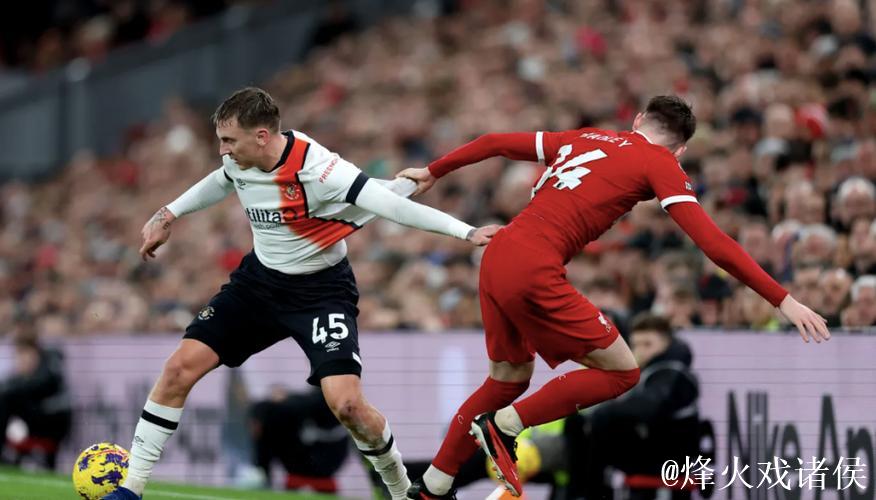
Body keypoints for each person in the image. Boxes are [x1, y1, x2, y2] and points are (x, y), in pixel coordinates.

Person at [398, 95, 830, 499]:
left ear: (638, 120)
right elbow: (714, 244)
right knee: (623, 371)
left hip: (497, 253)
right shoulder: (660, 162)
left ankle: (434, 484)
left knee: (507, 379)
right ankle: (506, 425)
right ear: (680, 150)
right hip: (534, 264)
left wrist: (433, 170)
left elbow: (494, 142)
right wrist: (782, 299)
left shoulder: (586, 136)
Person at [103, 87, 499, 500]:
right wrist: (168, 213)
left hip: (321, 292)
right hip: (257, 286)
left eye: (229, 140)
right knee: (178, 369)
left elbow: (391, 207)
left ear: (261, 136)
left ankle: (401, 492)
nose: (222, 150)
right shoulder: (238, 161)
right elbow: (221, 180)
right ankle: (131, 489)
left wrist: (466, 231)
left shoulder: (320, 170)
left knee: (347, 405)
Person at [249, 386, 349, 493]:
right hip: (300, 467)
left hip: (322, 466)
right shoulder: (277, 414)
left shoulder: (307, 404)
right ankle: (261, 477)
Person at [0, 330, 72, 469]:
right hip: (35, 418)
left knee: (6, 399)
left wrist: (20, 381)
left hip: (53, 421)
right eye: (19, 354)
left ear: (35, 352)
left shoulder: (49, 368)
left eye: (25, 353)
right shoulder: (24, 376)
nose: (22, 359)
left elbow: (38, 385)